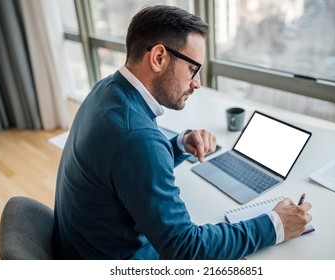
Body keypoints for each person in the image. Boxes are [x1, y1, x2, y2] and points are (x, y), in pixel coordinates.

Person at [53, 5, 312, 260]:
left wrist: (177, 145)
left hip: (83, 247)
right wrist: (275, 225)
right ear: (158, 58)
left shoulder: (107, 90)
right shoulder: (136, 137)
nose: (197, 83)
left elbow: (125, 163)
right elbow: (186, 249)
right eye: (192, 69)